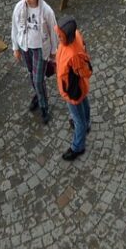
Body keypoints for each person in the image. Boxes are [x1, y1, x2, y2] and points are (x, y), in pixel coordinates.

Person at [10, 0, 58, 124]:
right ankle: (38, 96)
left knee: (38, 80)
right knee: (32, 74)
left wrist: (54, 51)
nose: (27, 0)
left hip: (40, 48)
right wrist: (16, 48)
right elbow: (15, 27)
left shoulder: (47, 11)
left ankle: (44, 106)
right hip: (26, 47)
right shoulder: (19, 7)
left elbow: (53, 31)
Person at [55, 17, 92, 160]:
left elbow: (85, 71)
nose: (58, 37)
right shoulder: (74, 36)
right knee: (84, 104)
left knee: (78, 120)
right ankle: (86, 124)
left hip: (73, 90)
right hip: (76, 87)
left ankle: (78, 147)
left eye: (60, 35)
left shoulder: (74, 54)